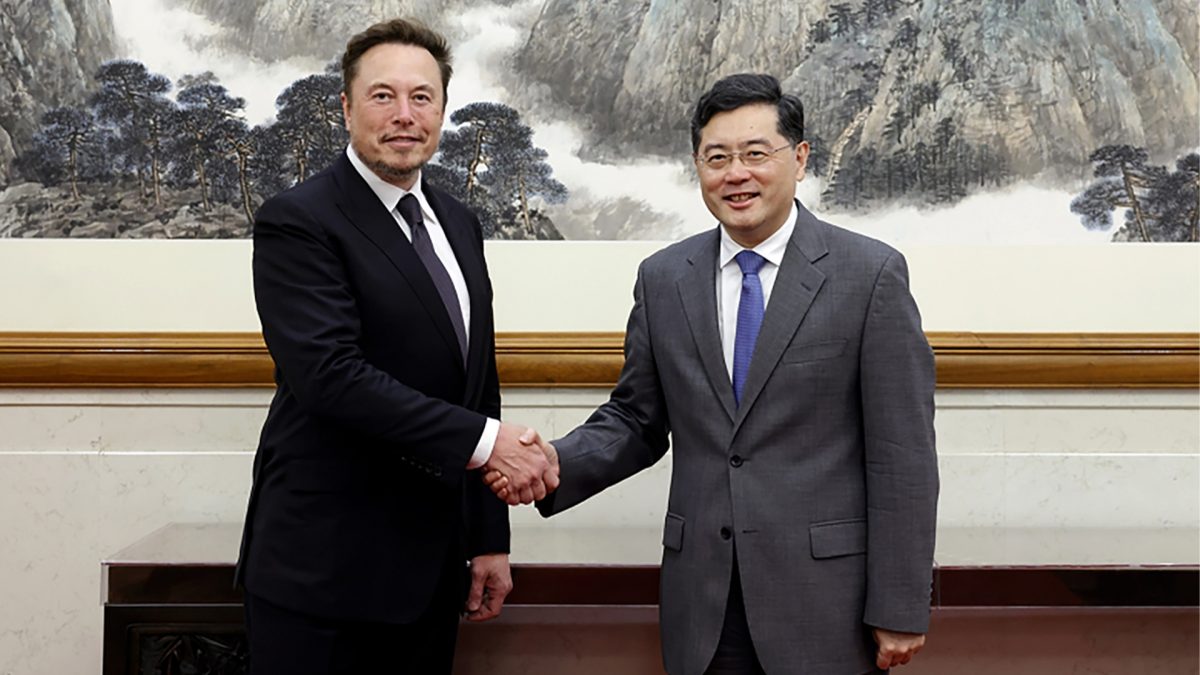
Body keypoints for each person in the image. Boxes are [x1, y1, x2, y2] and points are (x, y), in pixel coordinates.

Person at [493, 73, 939, 674]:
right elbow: (636, 419)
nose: (737, 173)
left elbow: (902, 456)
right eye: (717, 157)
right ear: (698, 166)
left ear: (800, 158)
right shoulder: (664, 277)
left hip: (826, 605)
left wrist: (901, 603)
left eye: (757, 154)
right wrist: (552, 464)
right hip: (702, 603)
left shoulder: (870, 275)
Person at [235, 18, 557, 675]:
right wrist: (487, 442)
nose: (405, 115)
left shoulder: (459, 223)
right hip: (323, 576)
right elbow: (330, 375)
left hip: (430, 574)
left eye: (423, 97)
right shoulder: (298, 219)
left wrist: (489, 538)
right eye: (383, 96)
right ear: (347, 107)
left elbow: (477, 381)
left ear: (442, 108)